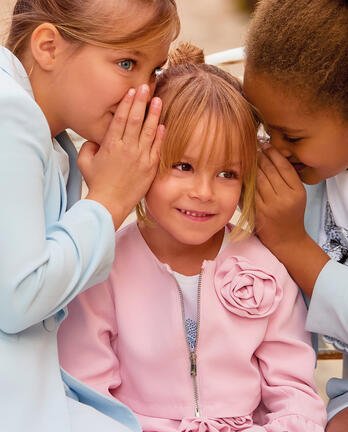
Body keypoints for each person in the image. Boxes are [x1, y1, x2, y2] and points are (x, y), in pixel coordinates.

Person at [58, 43, 327, 432]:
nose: (204, 191)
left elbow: (294, 390)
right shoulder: (103, 265)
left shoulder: (266, 266)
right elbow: (89, 395)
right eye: (183, 166)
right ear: (145, 157)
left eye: (227, 173)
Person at [0, 0, 179, 431]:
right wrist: (110, 201)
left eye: (153, 70)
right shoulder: (11, 115)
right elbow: (18, 296)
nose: (144, 91)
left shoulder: (52, 136)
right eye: (125, 62)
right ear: (48, 47)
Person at [243, 0, 348, 430]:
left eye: (291, 136)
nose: (272, 148)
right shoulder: (299, 167)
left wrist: (295, 247)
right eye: (263, 125)